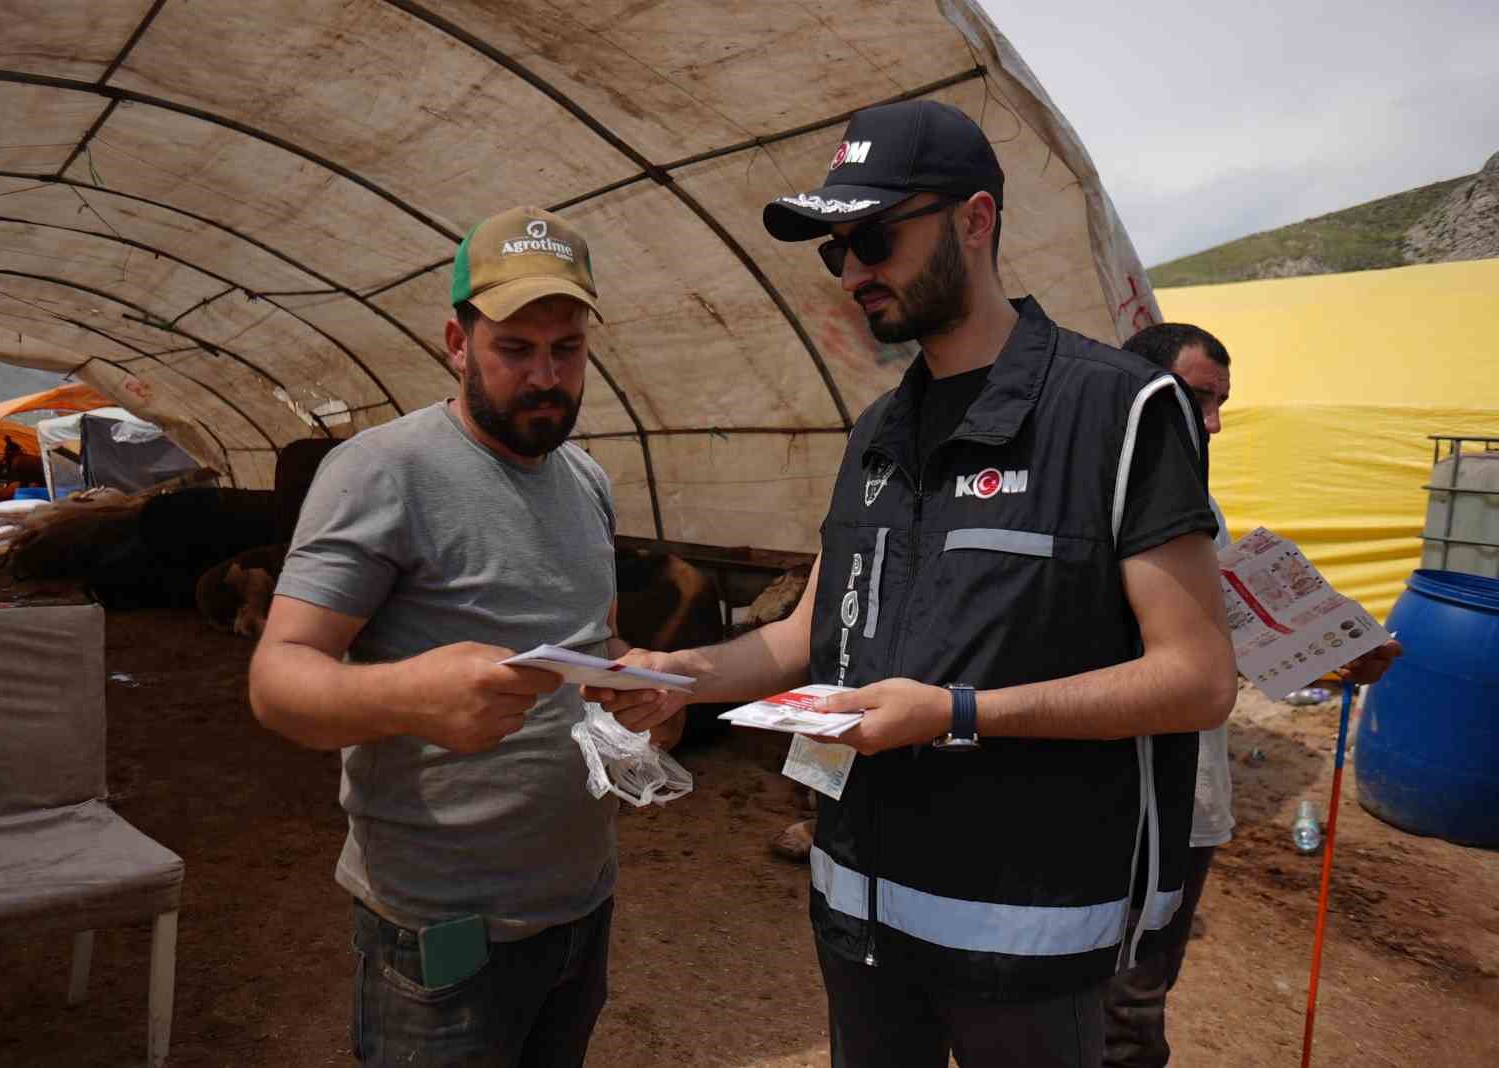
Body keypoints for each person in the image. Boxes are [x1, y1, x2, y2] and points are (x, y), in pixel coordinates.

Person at [592, 99, 1237, 1067]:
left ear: (975, 221)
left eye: (875, 239)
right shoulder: (877, 433)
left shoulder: (1117, 410)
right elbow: (810, 634)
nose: (853, 272)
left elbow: (1194, 679)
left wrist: (956, 712)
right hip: (857, 906)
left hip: (1025, 930)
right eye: (835, 251)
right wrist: (673, 674)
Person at [250, 206, 646, 1068]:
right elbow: (277, 680)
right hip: (442, 930)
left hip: (581, 904)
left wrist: (642, 697)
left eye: (567, 349)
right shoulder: (384, 471)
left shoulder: (586, 479)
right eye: (515, 348)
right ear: (456, 342)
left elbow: (598, 648)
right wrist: (408, 697)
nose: (546, 376)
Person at [1101, 322, 1403, 1067]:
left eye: (1221, 404)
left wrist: (1330, 654)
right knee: (1109, 1006)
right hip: (1117, 797)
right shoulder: (1084, 500)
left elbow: (1220, 644)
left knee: (1147, 984)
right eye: (1200, 399)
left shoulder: (1200, 508)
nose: (1215, 424)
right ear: (1137, 391)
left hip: (1191, 796)